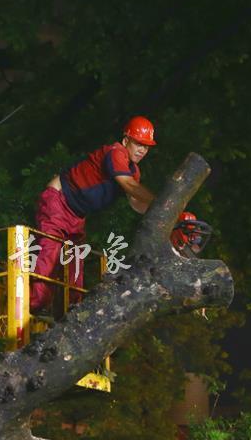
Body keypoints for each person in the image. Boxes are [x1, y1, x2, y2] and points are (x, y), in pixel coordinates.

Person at [30, 116, 158, 312]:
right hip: (58, 200)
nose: (142, 150)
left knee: (75, 265)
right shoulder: (116, 153)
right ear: (126, 141)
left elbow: (136, 202)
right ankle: (33, 304)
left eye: (146, 147)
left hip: (77, 216)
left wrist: (161, 212)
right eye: (138, 144)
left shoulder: (134, 171)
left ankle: (70, 313)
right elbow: (130, 186)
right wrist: (162, 201)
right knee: (50, 250)